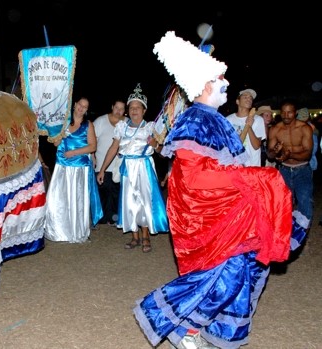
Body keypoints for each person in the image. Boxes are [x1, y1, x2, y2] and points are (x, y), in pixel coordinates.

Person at [133, 31, 306, 349]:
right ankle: (185, 328)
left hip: (231, 215)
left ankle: (212, 332)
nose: (227, 84)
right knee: (223, 279)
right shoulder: (195, 121)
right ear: (205, 86)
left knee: (242, 273)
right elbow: (195, 178)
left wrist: (249, 182)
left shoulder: (215, 120)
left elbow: (227, 167)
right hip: (207, 220)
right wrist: (253, 180)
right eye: (221, 79)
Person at [96, 84, 169, 253]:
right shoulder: (122, 127)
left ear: (144, 110)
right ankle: (134, 236)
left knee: (144, 200)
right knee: (129, 200)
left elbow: (163, 153)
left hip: (143, 167)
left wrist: (155, 144)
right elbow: (113, 148)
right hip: (127, 167)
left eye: (138, 107)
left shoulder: (151, 127)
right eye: (131, 107)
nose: (134, 110)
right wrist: (102, 170)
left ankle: (145, 236)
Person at [44, 96, 103, 243]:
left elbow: (93, 146)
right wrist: (58, 132)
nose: (81, 108)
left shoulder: (88, 125)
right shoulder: (63, 122)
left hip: (79, 168)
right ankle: (59, 231)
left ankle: (77, 232)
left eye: (85, 107)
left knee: (77, 201)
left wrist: (74, 152)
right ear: (75, 104)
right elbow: (56, 143)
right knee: (57, 198)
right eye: (80, 105)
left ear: (87, 110)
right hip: (62, 166)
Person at [267, 101, 314, 228]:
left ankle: (302, 237)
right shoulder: (275, 129)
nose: (286, 115)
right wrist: (275, 152)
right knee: (284, 204)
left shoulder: (304, 128)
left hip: (303, 170)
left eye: (290, 112)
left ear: (296, 113)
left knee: (305, 204)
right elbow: (270, 154)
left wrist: (290, 155)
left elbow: (307, 154)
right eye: (283, 112)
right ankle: (287, 234)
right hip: (284, 170)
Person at [93, 98, 127, 227]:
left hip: (119, 166)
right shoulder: (101, 121)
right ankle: (102, 218)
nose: (119, 111)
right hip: (102, 163)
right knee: (103, 191)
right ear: (112, 106)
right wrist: (93, 156)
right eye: (117, 107)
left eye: (122, 108)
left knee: (116, 193)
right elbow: (92, 140)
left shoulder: (127, 123)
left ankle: (114, 218)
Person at [226, 89, 266, 166]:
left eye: (251, 98)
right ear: (237, 101)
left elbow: (256, 146)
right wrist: (247, 125)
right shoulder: (228, 120)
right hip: (235, 165)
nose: (249, 99)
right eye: (245, 97)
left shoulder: (258, 119)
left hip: (252, 165)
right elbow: (233, 146)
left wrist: (249, 127)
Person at [296, 107, 318, 171]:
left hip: (308, 163)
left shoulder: (310, 128)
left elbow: (313, 150)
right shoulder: (306, 127)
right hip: (304, 163)